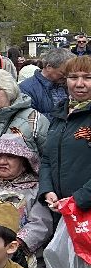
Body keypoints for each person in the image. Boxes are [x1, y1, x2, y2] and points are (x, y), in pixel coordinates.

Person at [40, 54, 91, 226]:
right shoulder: (60, 114)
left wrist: (78, 199)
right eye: (73, 77)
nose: (79, 84)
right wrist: (47, 190)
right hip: (61, 209)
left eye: (87, 78)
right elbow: (47, 158)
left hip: (85, 211)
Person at [20, 47, 71, 116]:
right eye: (63, 73)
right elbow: (29, 119)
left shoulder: (67, 84)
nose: (66, 77)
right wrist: (65, 117)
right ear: (49, 67)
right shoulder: (26, 89)